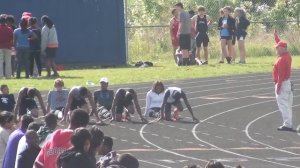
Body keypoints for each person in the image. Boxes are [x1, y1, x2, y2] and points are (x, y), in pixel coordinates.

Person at [273, 30, 293, 131]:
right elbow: (281, 43)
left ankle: (287, 124)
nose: (276, 49)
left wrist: (278, 87)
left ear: (282, 49)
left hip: (282, 83)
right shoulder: (287, 55)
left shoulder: (281, 60)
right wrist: (276, 37)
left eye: (278, 48)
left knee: (283, 104)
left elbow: (281, 75)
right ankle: (288, 122)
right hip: (287, 83)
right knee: (287, 104)